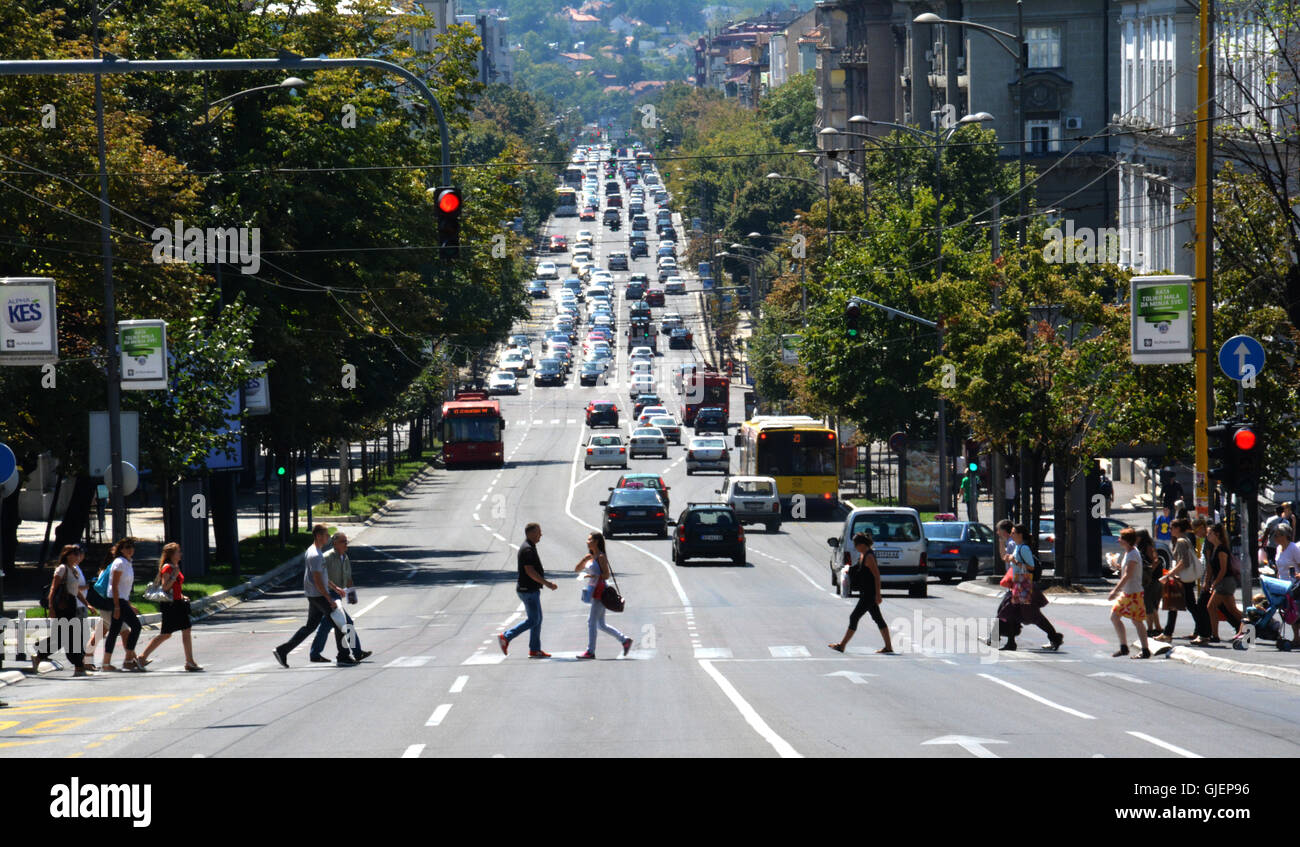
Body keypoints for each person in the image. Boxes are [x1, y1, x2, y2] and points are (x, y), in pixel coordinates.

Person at [272, 525, 354, 667]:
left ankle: (282, 650)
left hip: (314, 595)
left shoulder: (315, 551)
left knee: (310, 627)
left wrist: (335, 587)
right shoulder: (315, 555)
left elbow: (322, 576)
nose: (328, 537)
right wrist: (329, 599)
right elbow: (317, 581)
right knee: (340, 623)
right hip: (319, 596)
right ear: (318, 536)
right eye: (326, 535)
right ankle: (343, 656)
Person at [136, 543, 202, 671]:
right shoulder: (168, 568)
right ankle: (142, 658)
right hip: (170, 606)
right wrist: (174, 575)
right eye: (178, 552)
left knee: (186, 629)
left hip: (178, 603)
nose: (180, 554)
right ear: (171, 554)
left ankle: (190, 661)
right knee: (166, 634)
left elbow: (176, 587)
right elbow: (165, 587)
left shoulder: (175, 566)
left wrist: (182, 595)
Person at [309, 532, 372, 664]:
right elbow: (320, 577)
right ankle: (356, 652)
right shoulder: (327, 558)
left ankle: (315, 653)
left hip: (336, 596)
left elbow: (348, 578)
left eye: (346, 541)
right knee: (347, 623)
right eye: (343, 541)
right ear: (335, 543)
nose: (346, 543)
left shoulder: (345, 557)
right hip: (328, 595)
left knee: (326, 625)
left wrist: (352, 595)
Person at [498, 523, 557, 658]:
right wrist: (547, 583)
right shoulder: (528, 550)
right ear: (530, 533)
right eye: (538, 532)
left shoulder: (530, 547)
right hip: (528, 590)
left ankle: (535, 649)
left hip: (530, 590)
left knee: (537, 619)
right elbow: (529, 571)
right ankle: (506, 637)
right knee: (533, 620)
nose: (540, 535)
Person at [829, 532, 893, 654]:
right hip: (866, 593)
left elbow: (877, 576)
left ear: (862, 544)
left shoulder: (869, 556)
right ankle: (888, 647)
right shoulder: (863, 555)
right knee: (878, 619)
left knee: (854, 617)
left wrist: (878, 594)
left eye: (856, 545)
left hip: (869, 594)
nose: (855, 547)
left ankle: (842, 645)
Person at [31, 545, 90, 676]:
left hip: (71, 605)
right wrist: (51, 608)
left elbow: (75, 591)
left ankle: (39, 655)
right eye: (74, 553)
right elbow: (53, 589)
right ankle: (79, 667)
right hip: (62, 607)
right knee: (69, 637)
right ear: (67, 555)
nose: (77, 556)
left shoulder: (73, 569)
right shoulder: (62, 569)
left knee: (64, 638)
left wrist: (87, 604)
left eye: (78, 553)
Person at [1004, 524, 1063, 652]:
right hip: (1017, 584)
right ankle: (1010, 642)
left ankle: (1055, 637)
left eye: (1013, 532)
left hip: (1023, 584)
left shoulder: (1024, 548)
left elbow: (1031, 567)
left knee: (1033, 616)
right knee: (1011, 613)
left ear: (1020, 535)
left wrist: (1015, 562)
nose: (1011, 535)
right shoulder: (1017, 547)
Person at [574, 531, 632, 659]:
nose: (587, 542)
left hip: (600, 592)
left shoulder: (601, 557)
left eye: (589, 540)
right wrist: (584, 560)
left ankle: (590, 651)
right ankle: (624, 640)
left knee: (591, 622)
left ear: (596, 542)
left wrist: (593, 575)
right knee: (601, 624)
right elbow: (576, 569)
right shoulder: (590, 557)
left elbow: (606, 575)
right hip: (593, 591)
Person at [1156, 518, 1206, 643]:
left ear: (1178, 528)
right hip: (1184, 579)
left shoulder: (1181, 541)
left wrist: (1169, 574)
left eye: (1171, 528)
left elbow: (1185, 562)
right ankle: (1169, 633)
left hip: (1183, 579)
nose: (1169, 530)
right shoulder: (1185, 539)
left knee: (1183, 606)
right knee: (1176, 606)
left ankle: (1204, 632)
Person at [103, 538, 146, 672]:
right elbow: (114, 586)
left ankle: (106, 663)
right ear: (121, 549)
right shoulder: (119, 562)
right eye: (127, 547)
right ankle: (128, 660)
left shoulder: (128, 562)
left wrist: (129, 604)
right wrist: (117, 606)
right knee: (136, 626)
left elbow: (123, 588)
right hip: (117, 601)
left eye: (132, 547)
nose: (130, 549)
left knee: (114, 631)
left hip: (122, 600)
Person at [1109, 527, 1151, 658]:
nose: (1118, 540)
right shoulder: (1129, 552)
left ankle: (1144, 650)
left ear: (1127, 541)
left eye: (1121, 538)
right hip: (1128, 593)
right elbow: (1127, 571)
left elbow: (1128, 575)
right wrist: (1116, 566)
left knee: (1136, 621)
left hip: (1133, 593)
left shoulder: (1133, 554)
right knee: (1116, 617)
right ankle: (1124, 647)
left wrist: (1115, 590)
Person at [1203, 522, 1243, 642]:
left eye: (1210, 533)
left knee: (1211, 606)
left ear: (1216, 534)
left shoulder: (1221, 549)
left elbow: (1223, 569)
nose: (1207, 535)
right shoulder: (1214, 548)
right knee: (1233, 610)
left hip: (1225, 582)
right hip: (1224, 582)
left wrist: (1215, 582)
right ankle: (1250, 625)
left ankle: (1215, 635)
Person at [1135, 528, 1164, 639]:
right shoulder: (1146, 546)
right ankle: (1157, 628)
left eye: (1137, 537)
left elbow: (1156, 560)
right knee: (1152, 605)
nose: (1135, 539)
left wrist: (1149, 571)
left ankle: (1150, 629)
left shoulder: (1147, 547)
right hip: (1153, 580)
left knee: (1148, 605)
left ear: (1141, 537)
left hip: (1151, 580)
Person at [1261, 506, 1285, 572]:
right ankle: (1277, 570)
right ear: (1283, 512)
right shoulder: (1286, 522)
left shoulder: (1270, 520)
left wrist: (1262, 543)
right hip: (1281, 545)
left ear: (1275, 512)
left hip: (1271, 544)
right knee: (1280, 560)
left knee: (1271, 559)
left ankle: (1273, 568)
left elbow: (1266, 533)